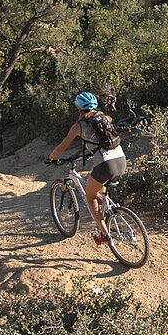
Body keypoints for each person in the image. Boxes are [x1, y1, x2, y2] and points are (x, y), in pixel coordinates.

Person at [45, 92, 126, 244]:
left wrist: (50, 158)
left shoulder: (78, 126)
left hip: (105, 165)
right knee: (100, 194)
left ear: (79, 108)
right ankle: (107, 216)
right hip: (121, 160)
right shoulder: (105, 118)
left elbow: (61, 148)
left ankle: (104, 233)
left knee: (90, 197)